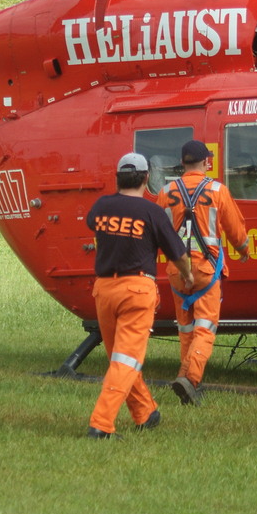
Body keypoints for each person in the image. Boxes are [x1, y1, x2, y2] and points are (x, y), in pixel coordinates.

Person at [85, 152, 194, 439]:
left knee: (120, 359)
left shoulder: (101, 206)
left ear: (118, 178)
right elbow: (179, 253)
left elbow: (92, 224)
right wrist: (188, 275)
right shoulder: (152, 212)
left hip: (104, 290)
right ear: (147, 179)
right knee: (126, 361)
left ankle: (145, 412)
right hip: (137, 291)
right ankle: (101, 424)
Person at [157, 140, 250, 406]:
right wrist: (244, 250)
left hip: (177, 272)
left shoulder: (165, 192)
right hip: (205, 271)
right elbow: (235, 230)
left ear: (182, 163)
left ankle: (183, 376)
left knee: (186, 329)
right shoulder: (217, 190)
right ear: (206, 162)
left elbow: (157, 230)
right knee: (205, 328)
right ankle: (192, 379)